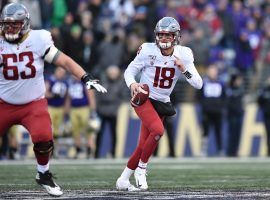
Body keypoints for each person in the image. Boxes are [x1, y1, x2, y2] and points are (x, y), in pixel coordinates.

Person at [0, 3, 107, 197]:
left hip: (33, 103)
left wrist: (85, 77)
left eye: (14, 25)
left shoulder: (38, 39)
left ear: (25, 24)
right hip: (3, 103)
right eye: (7, 25)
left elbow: (64, 61)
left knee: (44, 138)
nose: (10, 29)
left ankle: (43, 174)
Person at [116, 17, 203, 191]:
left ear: (176, 36)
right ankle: (141, 169)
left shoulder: (184, 54)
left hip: (162, 101)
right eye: (161, 35)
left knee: (142, 145)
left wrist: (184, 70)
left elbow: (198, 84)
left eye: (167, 35)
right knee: (158, 130)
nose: (163, 39)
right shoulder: (148, 50)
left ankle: (123, 180)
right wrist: (133, 84)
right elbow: (129, 71)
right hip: (144, 98)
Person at [257, 77, 270, 156]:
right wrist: (264, 109)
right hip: (267, 115)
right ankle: (268, 150)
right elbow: (259, 100)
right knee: (268, 134)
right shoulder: (264, 90)